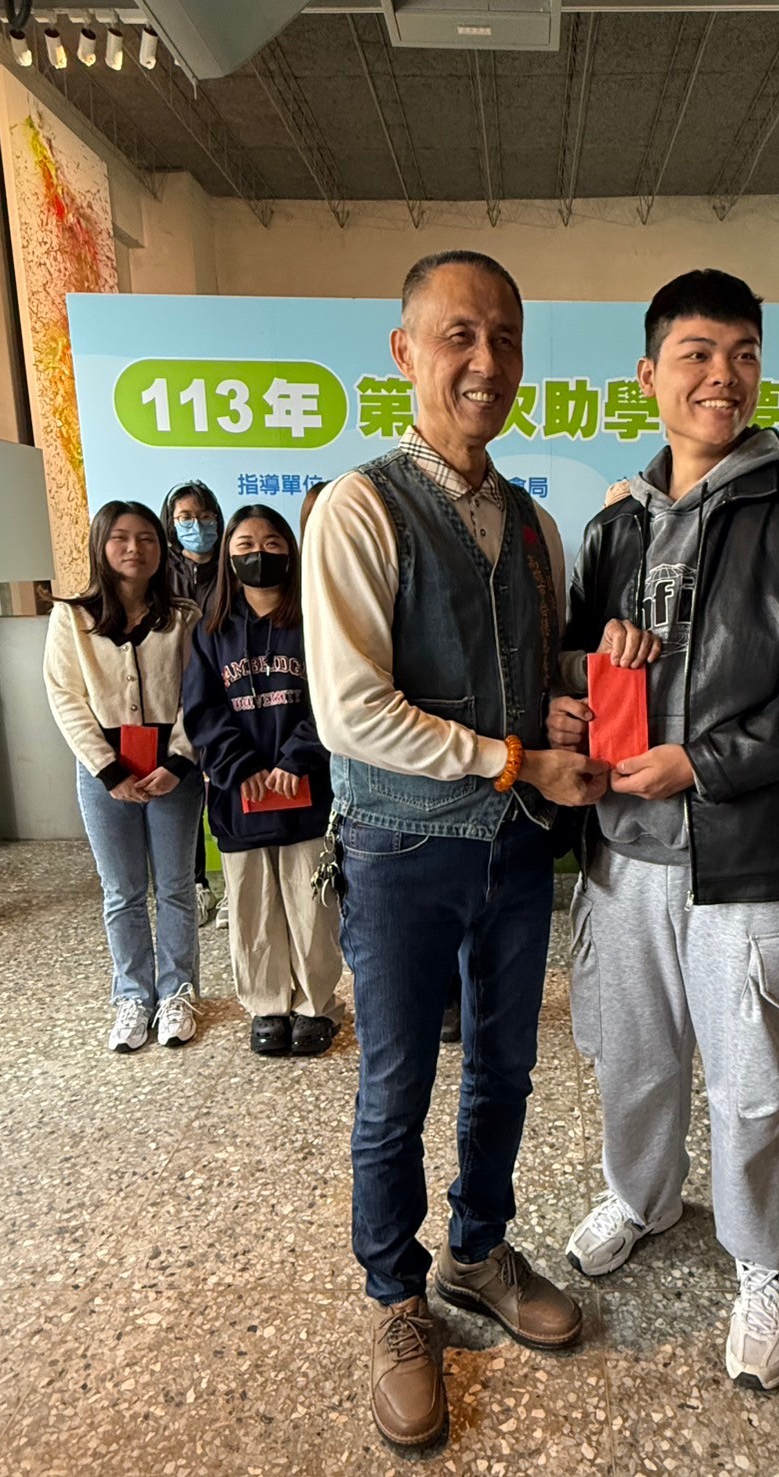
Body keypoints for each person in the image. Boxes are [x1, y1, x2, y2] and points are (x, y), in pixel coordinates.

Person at [302, 250, 642, 1450]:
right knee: (396, 1082)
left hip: (513, 849)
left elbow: (526, 673)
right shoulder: (358, 509)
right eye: (458, 334)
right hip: (400, 848)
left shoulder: (537, 525)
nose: (485, 361)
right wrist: (514, 759)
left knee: (505, 1067)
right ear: (404, 351)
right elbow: (352, 711)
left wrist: (585, 683)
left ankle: (478, 1250)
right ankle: (396, 1296)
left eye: (503, 336)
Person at [549, 269, 779, 1393]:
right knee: (633, 1061)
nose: (723, 376)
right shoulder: (614, 525)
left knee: (752, 1086)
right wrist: (579, 685)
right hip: (621, 856)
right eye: (697, 354)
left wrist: (704, 761)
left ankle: (762, 1261)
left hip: (751, 860)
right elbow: (574, 660)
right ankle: (641, 1197)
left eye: (743, 354)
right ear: (648, 375)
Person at [183, 504, 344, 1058]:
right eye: (246, 544)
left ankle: (316, 1005)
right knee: (252, 903)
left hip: (305, 789)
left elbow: (332, 700)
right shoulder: (211, 630)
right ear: (228, 556)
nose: (259, 554)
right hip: (241, 794)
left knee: (310, 902)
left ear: (291, 551)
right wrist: (242, 767)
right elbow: (201, 710)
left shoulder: (316, 620)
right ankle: (267, 1005)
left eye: (272, 543)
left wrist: (295, 761)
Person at [43, 502, 203, 1053]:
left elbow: (198, 695)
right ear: (101, 546)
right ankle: (133, 995)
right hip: (103, 770)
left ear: (161, 549)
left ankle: (177, 991)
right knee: (122, 890)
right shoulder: (71, 618)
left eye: (147, 539)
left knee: (177, 887)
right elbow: (65, 698)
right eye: (121, 538)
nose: (135, 549)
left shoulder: (184, 616)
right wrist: (108, 770)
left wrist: (178, 762)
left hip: (172, 771)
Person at [161, 479, 225, 928]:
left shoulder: (232, 566)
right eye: (185, 518)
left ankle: (233, 885)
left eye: (204, 517)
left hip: (228, 694)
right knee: (185, 795)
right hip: (177, 698)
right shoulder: (161, 574)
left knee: (225, 786)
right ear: (171, 524)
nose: (196, 526)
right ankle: (198, 885)